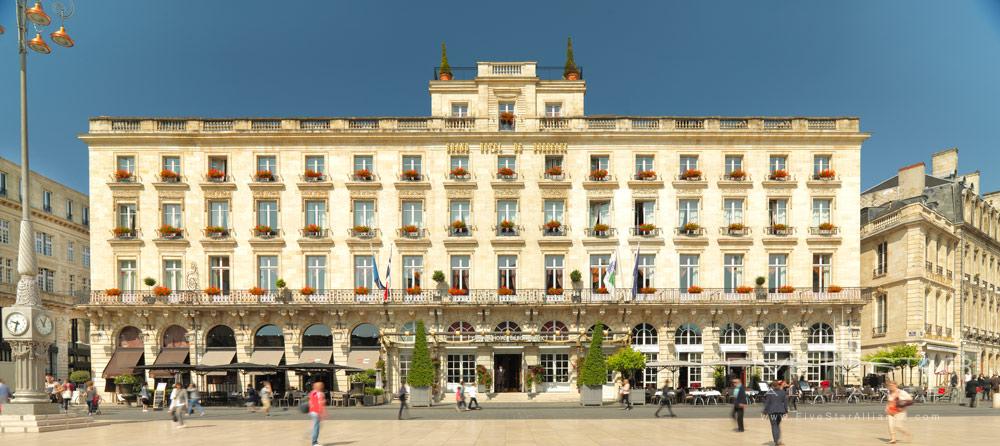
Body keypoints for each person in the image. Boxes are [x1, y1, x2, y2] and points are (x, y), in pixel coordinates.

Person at [762, 380, 789, 446]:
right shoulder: (783, 392)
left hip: (772, 411)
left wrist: (765, 411)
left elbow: (767, 403)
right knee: (777, 425)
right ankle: (778, 440)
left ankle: (776, 441)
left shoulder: (770, 393)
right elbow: (785, 403)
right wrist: (786, 411)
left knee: (774, 426)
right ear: (778, 384)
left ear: (772, 386)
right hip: (780, 411)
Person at [307, 381, 326, 446]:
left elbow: (310, 402)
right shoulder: (320, 394)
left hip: (312, 411)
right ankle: (314, 442)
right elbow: (320, 403)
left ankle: (314, 440)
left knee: (316, 426)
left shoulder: (312, 393)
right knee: (316, 427)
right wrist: (322, 413)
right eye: (321, 386)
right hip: (316, 412)